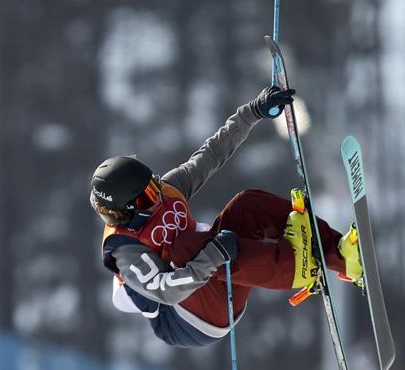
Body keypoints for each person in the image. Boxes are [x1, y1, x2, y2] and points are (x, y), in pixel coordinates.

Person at [91, 85, 364, 347]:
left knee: (246, 204)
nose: (158, 195)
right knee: (185, 246)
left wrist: (253, 112)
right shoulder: (125, 250)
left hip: (216, 279)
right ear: (127, 211)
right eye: (148, 196)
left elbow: (211, 154)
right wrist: (215, 254)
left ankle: (341, 255)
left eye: (154, 183)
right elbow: (166, 290)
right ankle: (298, 269)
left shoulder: (167, 191)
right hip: (188, 321)